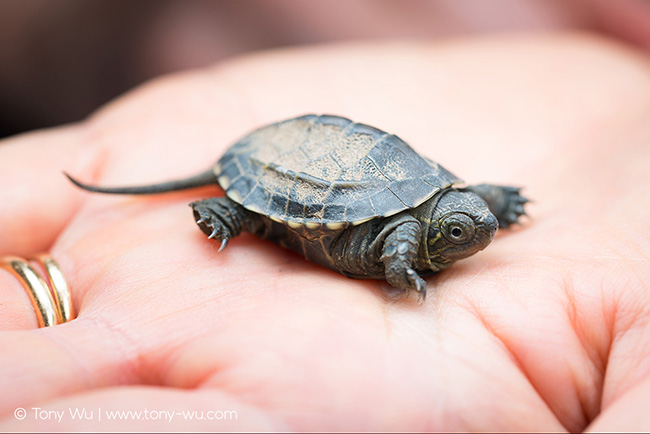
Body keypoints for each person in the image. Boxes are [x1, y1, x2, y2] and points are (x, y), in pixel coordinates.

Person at [1, 32, 650, 432]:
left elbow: (453, 212)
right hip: (279, 163)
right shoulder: (406, 240)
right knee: (272, 222)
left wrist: (497, 203)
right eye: (461, 227)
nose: (476, 229)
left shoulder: (446, 204)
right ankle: (232, 211)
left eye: (473, 221)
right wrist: (404, 273)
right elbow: (400, 242)